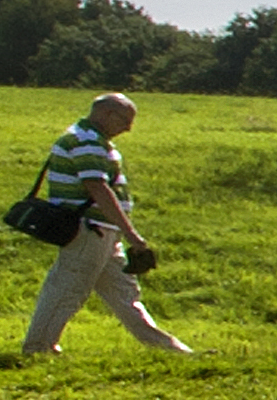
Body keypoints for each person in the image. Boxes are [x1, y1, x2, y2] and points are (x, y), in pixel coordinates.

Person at [22, 90, 195, 359]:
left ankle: (170, 350)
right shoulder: (87, 140)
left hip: (103, 232)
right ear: (105, 113)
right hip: (89, 230)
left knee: (125, 294)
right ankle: (38, 348)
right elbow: (97, 189)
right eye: (125, 119)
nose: (128, 127)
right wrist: (132, 235)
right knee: (67, 289)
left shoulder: (91, 139)